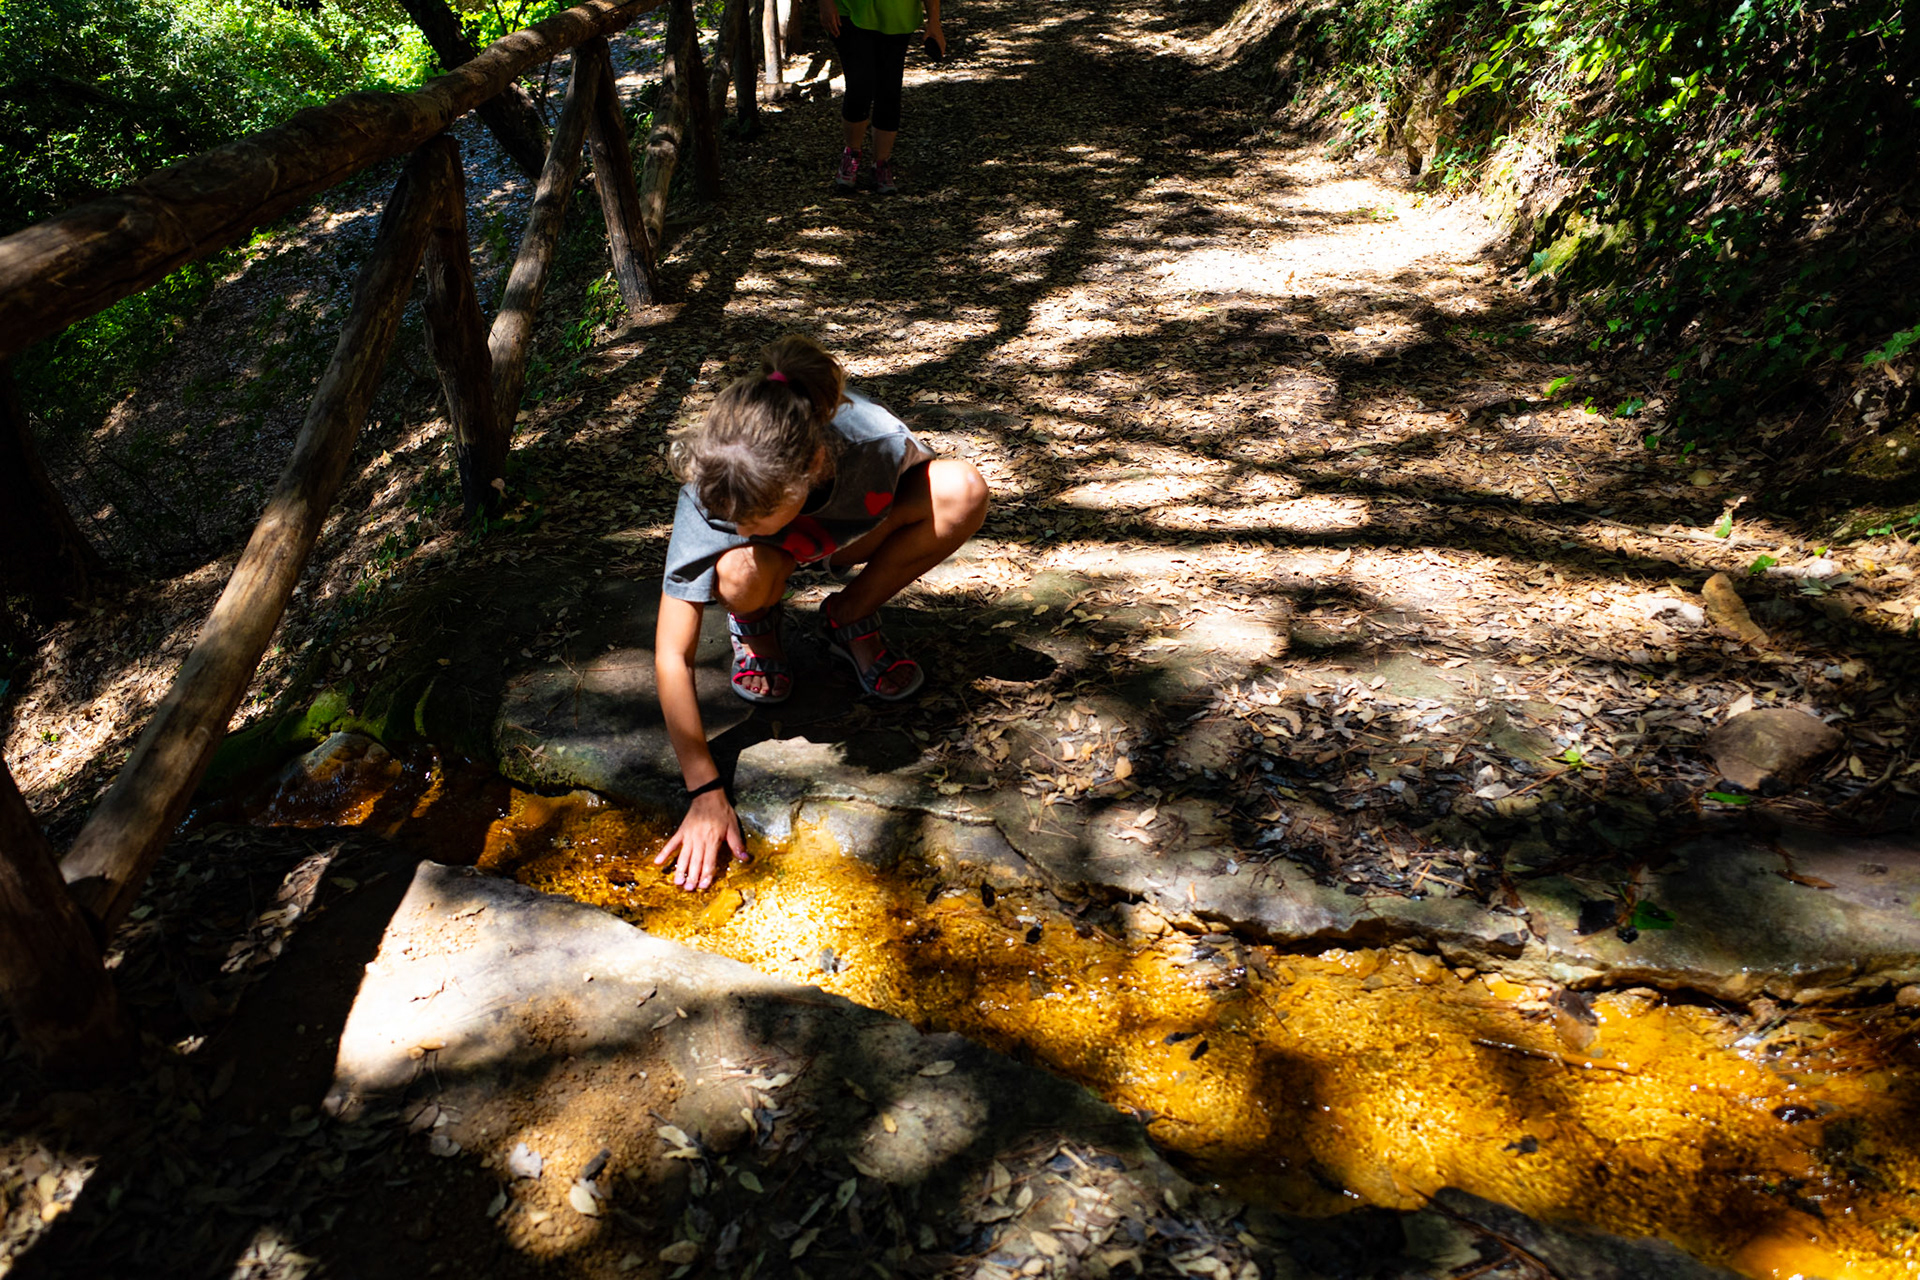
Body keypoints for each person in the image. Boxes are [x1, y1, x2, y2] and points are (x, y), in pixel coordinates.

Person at [652, 335, 989, 891]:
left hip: (849, 530)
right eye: (727, 517)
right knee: (736, 566)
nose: (733, 527)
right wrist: (704, 789)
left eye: (753, 515)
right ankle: (756, 626)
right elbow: (671, 652)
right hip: (772, 560)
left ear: (812, 464)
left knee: (963, 488)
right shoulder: (717, 483)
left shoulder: (874, 440)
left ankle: (848, 616)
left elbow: (921, 500)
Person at [818, 0, 945, 194]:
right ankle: (851, 154)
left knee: (889, 89)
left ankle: (881, 165)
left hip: (897, 15)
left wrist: (934, 22)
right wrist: (825, 3)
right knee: (860, 84)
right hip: (848, 11)